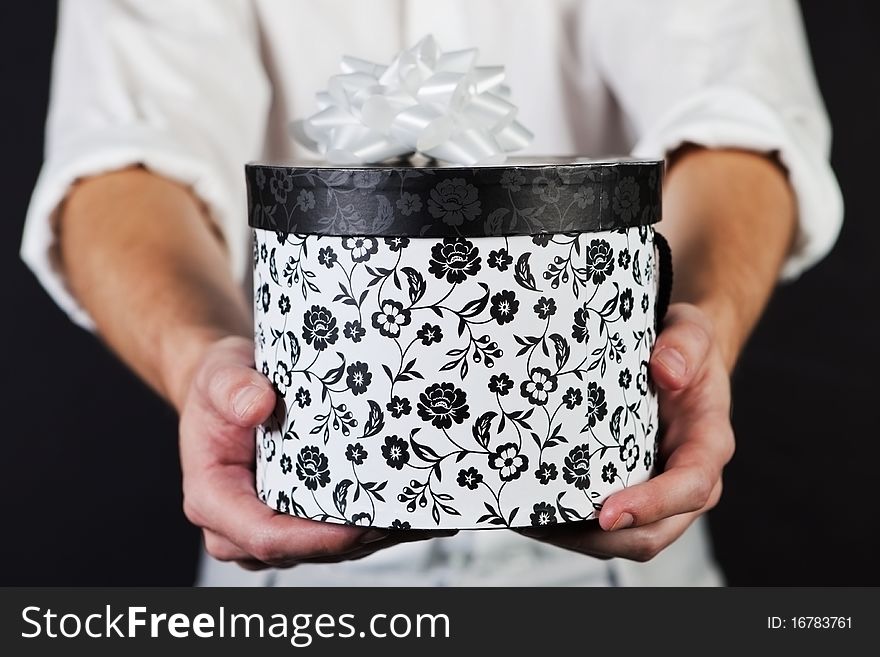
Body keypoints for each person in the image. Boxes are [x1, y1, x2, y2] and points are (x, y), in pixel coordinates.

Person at [22, 0, 841, 586]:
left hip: (617, 522)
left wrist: (697, 339)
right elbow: (122, 154)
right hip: (293, 545)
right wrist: (202, 364)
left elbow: (738, 112)